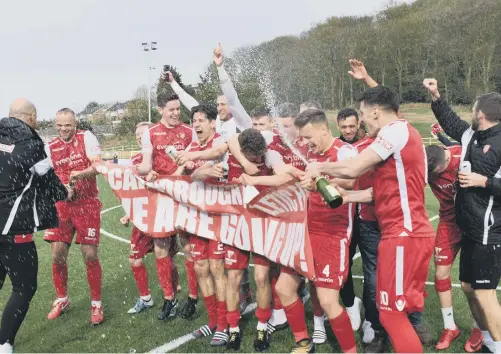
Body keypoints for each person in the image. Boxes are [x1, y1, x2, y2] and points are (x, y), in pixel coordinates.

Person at [302, 86, 435, 353]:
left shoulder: (395, 130)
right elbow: (380, 192)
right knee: (389, 313)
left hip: (405, 234)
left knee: (393, 315)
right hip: (397, 234)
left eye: (362, 114)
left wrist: (320, 167)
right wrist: (346, 196)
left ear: (375, 111)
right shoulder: (397, 135)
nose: (362, 120)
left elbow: (354, 167)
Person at [424, 78, 501, 353]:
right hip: (468, 228)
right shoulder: (471, 135)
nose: (469, 114)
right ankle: (488, 340)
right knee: (469, 287)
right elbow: (452, 123)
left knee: (484, 292)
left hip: (488, 231)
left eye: (472, 110)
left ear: (480, 113)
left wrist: (484, 182)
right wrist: (436, 96)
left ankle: (497, 343)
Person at [192, 128, 286, 351]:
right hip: (235, 229)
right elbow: (194, 176)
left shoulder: (270, 155)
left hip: (262, 226)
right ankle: (233, 329)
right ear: (242, 152)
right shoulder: (226, 157)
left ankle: (262, 326)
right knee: (233, 278)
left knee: (262, 277)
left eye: (259, 155)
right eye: (252, 156)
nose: (258, 159)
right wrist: (207, 172)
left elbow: (284, 175)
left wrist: (256, 175)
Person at [275, 108, 358, 353]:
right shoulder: (311, 155)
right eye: (302, 137)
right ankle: (303, 342)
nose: (306, 142)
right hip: (306, 232)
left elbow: (351, 180)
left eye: (309, 136)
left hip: (334, 233)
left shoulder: (344, 150)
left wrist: (321, 179)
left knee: (328, 301)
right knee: (283, 288)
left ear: (324, 129)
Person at [0, 99, 68, 353]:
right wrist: (65, 191)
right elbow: (51, 185)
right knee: (24, 286)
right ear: (32, 117)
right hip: (13, 229)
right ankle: (4, 342)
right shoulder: (31, 144)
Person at [43, 108, 104, 325]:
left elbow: (97, 165)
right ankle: (62, 299)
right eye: (59, 125)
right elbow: (46, 177)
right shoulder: (50, 146)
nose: (63, 129)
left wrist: (79, 175)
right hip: (62, 206)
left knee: (89, 254)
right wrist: (60, 189)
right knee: (57, 255)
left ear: (75, 123)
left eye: (67, 125)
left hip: (86, 203)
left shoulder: (85, 137)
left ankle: (96, 303)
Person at [137, 93, 194, 321]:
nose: (175, 113)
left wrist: (186, 167)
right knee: (161, 249)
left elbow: (193, 161)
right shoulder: (151, 133)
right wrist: (147, 171)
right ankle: (169, 299)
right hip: (161, 196)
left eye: (178, 109)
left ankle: (192, 297)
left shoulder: (188, 131)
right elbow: (145, 163)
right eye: (171, 109)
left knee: (188, 247)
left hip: (183, 195)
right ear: (160, 109)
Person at [178, 104, 230, 346]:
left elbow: (217, 153)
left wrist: (193, 162)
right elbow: (184, 176)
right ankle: (212, 321)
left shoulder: (220, 139)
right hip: (197, 216)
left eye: (201, 120)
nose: (196, 125)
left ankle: (224, 324)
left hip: (219, 216)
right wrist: (193, 169)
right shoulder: (191, 147)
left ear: (212, 123)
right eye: (193, 121)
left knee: (218, 268)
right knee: (201, 268)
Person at [120, 122, 180, 315]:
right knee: (135, 259)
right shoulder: (136, 161)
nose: (140, 137)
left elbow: (176, 184)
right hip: (143, 217)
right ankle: (145, 298)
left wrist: (159, 179)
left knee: (166, 258)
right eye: (138, 134)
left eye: (144, 134)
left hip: (163, 215)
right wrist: (129, 213)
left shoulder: (164, 159)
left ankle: (171, 298)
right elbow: (133, 191)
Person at [426, 144, 483, 351]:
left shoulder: (465, 155)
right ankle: (450, 327)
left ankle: (480, 328)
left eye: (437, 173)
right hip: (448, 223)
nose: (434, 178)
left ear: (445, 162)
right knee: (441, 274)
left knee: (474, 283)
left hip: (472, 223)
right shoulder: (426, 167)